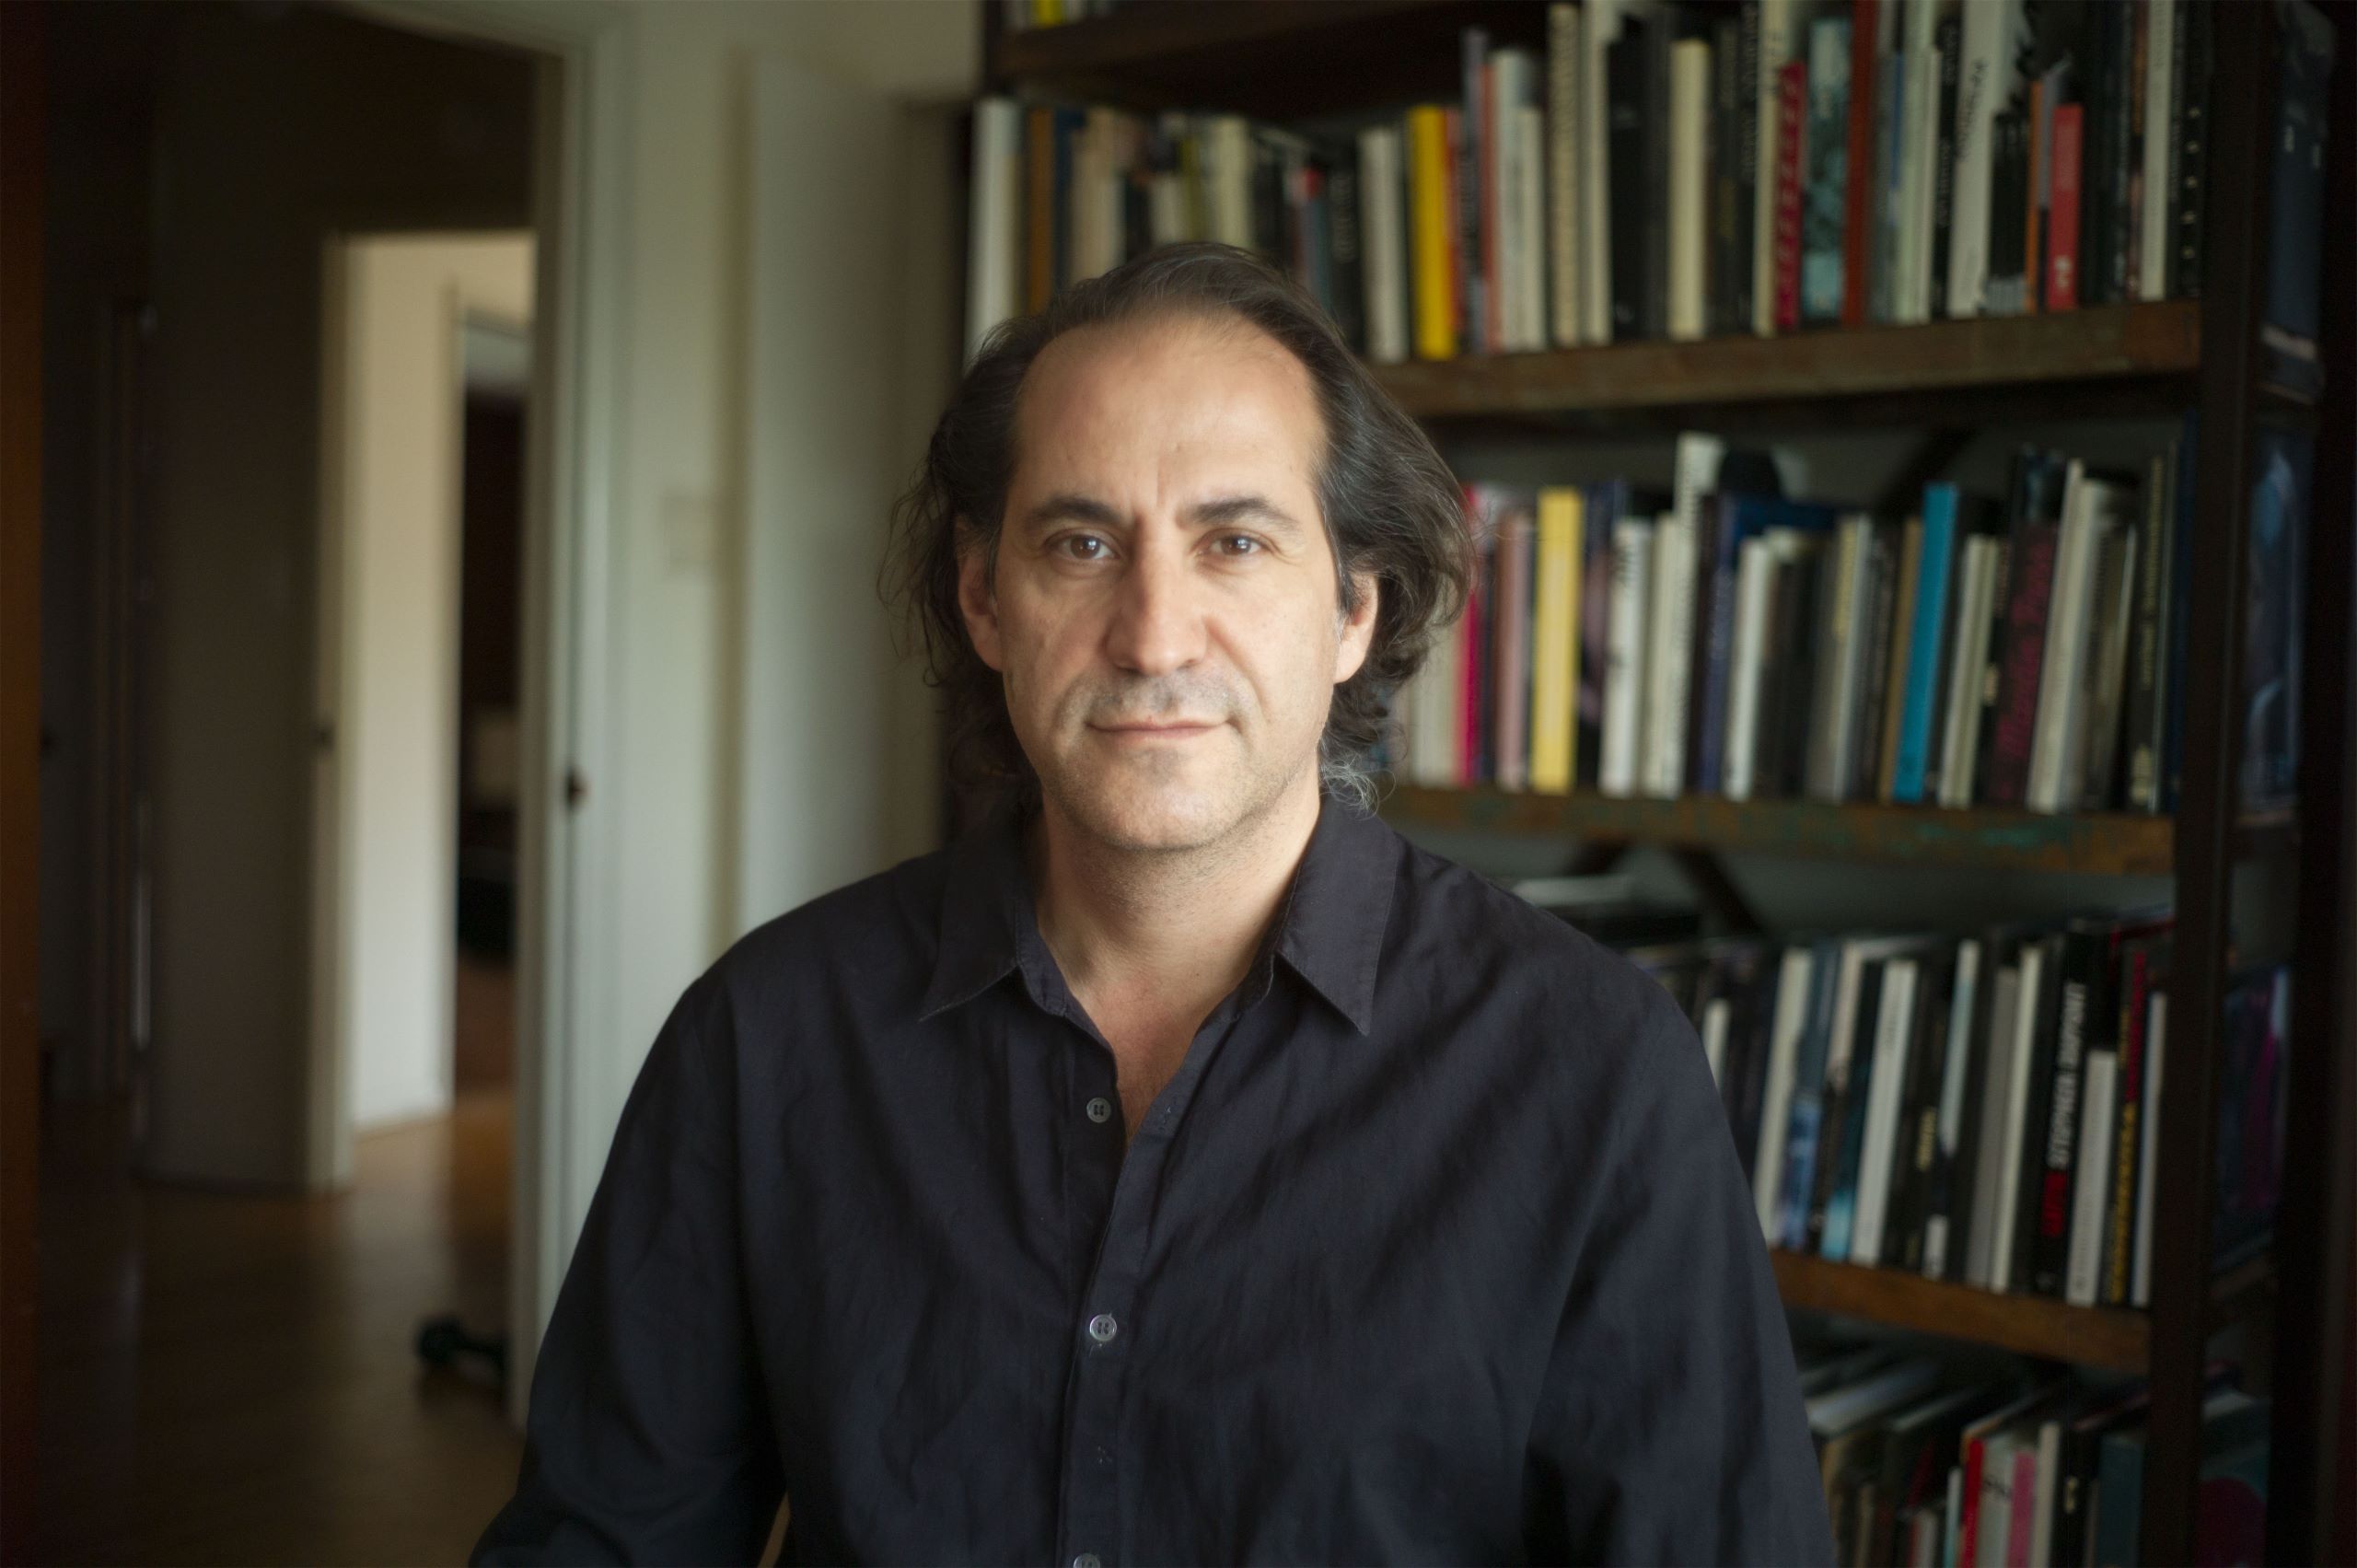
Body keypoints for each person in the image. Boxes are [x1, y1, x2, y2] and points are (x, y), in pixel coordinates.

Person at [472, 241, 1835, 1566]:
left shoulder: (1591, 1071)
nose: (1154, 634)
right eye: (1080, 543)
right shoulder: (764, 1040)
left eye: (1234, 541)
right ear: (983, 600)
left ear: (1356, 607)